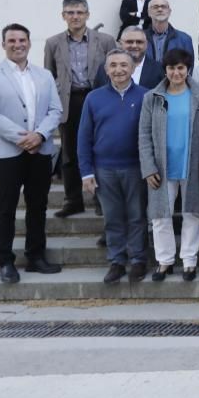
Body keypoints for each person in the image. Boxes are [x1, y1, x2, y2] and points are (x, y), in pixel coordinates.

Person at [0, 23, 63, 283]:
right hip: (6, 153)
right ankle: (4, 260)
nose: (18, 45)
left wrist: (40, 135)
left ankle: (35, 256)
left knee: (38, 205)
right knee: (6, 207)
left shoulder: (44, 75)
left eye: (22, 40)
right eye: (12, 40)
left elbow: (55, 110)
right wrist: (22, 138)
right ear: (3, 45)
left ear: (29, 43)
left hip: (40, 150)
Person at [138, 48, 199, 283]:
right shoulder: (152, 98)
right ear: (165, 70)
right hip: (162, 167)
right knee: (160, 216)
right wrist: (148, 167)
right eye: (171, 68)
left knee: (192, 213)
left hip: (192, 164)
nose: (176, 72)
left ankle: (189, 261)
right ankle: (165, 261)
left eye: (181, 68)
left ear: (188, 69)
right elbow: (144, 135)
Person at [78, 49, 149, 284]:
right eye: (114, 65)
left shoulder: (146, 96)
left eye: (124, 65)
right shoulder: (94, 98)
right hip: (104, 169)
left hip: (136, 168)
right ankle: (117, 261)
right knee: (113, 217)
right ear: (106, 70)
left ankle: (138, 260)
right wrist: (86, 172)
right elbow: (84, 137)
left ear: (133, 68)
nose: (119, 70)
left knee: (138, 216)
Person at [44, 0, 117, 218]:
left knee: (101, 150)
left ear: (87, 14)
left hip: (97, 99)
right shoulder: (53, 42)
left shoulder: (105, 40)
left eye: (79, 12)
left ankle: (101, 200)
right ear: (63, 16)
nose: (75, 16)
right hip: (69, 102)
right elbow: (49, 76)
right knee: (69, 153)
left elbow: (115, 69)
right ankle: (73, 200)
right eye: (70, 12)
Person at [93, 26, 164, 89]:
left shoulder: (158, 69)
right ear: (121, 44)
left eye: (139, 42)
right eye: (129, 42)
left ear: (146, 44)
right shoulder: (104, 68)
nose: (134, 46)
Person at [143, 0, 195, 69]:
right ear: (149, 12)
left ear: (169, 12)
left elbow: (189, 67)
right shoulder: (140, 39)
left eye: (163, 7)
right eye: (155, 7)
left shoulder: (185, 39)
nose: (160, 9)